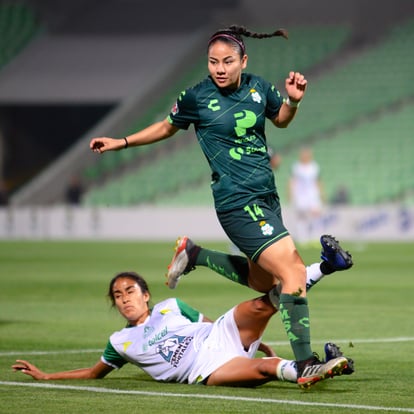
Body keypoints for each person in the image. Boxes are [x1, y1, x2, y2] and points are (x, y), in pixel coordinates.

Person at [89, 25, 352, 385]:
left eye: (228, 61)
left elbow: (282, 121)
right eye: (213, 62)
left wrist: (293, 101)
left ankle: (195, 255)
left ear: (243, 60)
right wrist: (121, 142)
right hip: (236, 201)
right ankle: (306, 362)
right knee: (291, 273)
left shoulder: (260, 88)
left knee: (264, 282)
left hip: (266, 198)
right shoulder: (196, 97)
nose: (220, 68)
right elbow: (166, 128)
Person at [12, 271, 353, 389]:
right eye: (118, 295)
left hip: (218, 336)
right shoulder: (120, 341)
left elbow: (209, 325)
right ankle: (312, 370)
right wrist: (45, 377)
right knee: (265, 370)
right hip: (205, 368)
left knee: (264, 303)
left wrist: (259, 342)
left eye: (130, 291)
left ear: (146, 295)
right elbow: (93, 373)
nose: (124, 299)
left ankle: (324, 266)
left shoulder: (172, 307)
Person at [288, 147, 324, 244]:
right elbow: (292, 181)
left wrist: (321, 193)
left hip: (313, 195)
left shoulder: (314, 166)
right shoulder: (296, 167)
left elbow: (318, 181)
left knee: (316, 215)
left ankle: (316, 237)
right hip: (300, 196)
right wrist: (291, 194)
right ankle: (302, 238)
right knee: (301, 217)